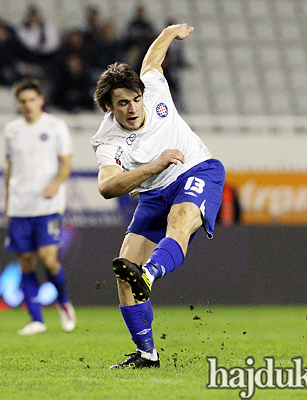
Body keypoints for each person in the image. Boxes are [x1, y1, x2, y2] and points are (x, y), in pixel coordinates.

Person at [90, 24, 225, 369]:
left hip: (197, 170)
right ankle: (147, 353)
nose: (133, 108)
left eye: (135, 99)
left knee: (179, 222)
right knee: (124, 273)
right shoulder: (108, 141)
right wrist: (152, 167)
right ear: (109, 106)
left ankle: (149, 274)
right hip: (153, 191)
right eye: (122, 103)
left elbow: (153, 58)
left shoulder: (153, 87)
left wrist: (169, 32)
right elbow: (107, 187)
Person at [3, 78, 76, 335]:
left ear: (41, 100)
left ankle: (64, 302)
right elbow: (10, 170)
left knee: (48, 259)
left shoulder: (56, 126)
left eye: (32, 100)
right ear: (18, 104)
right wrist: (7, 206)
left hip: (48, 205)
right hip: (20, 206)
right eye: (23, 101)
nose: (28, 105)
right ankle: (36, 319)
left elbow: (66, 164)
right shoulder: (11, 130)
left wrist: (56, 183)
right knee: (25, 260)